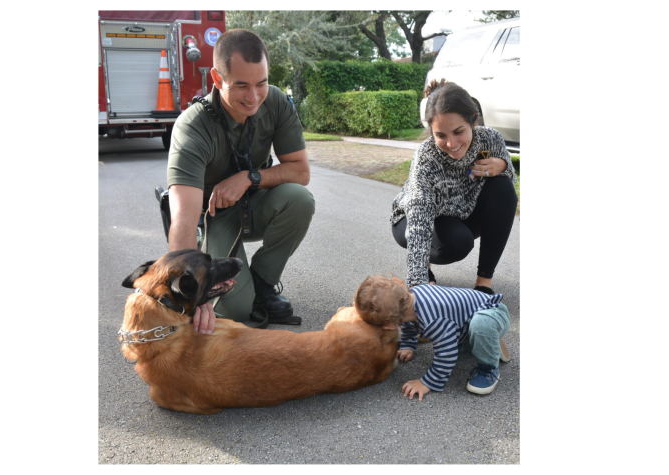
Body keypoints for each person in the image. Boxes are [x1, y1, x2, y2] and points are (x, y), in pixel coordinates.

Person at [166, 29, 314, 332]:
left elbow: (301, 172)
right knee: (234, 309)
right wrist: (196, 295)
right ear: (218, 80)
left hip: (256, 202)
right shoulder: (192, 128)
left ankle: (261, 284)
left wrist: (249, 177)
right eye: (242, 85)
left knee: (300, 200)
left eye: (262, 82)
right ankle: (235, 285)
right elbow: (182, 218)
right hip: (213, 217)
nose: (254, 96)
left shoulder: (274, 102)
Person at [390, 80, 517, 294]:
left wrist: (503, 165)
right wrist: (418, 283)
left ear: (473, 121)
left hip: (461, 212)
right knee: (457, 243)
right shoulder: (426, 157)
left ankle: (483, 284)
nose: (451, 143)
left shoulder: (491, 139)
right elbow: (420, 219)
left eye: (458, 131)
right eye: (440, 135)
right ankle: (426, 270)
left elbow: (507, 191)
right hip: (414, 219)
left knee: (503, 187)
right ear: (432, 131)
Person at [353, 275, 510, 398]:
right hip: (466, 320)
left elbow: (447, 355)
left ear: (389, 326)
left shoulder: (433, 320)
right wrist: (408, 344)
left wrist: (426, 383)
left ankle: (489, 367)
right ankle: (485, 340)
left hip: (493, 311)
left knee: (479, 326)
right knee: (471, 329)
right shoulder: (408, 299)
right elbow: (407, 322)